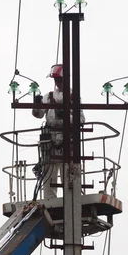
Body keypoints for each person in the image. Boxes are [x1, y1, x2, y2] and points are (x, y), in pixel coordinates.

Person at [32, 64, 85, 198]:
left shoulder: (74, 97)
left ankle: (72, 200)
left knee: (69, 174)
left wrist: (67, 116)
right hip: (50, 142)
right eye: (56, 80)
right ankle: (50, 201)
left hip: (68, 141)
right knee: (49, 176)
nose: (57, 83)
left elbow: (82, 119)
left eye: (59, 80)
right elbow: (38, 114)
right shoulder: (48, 96)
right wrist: (36, 104)